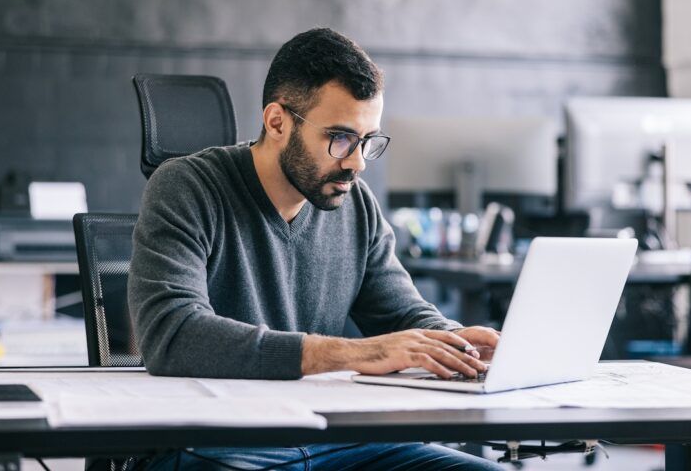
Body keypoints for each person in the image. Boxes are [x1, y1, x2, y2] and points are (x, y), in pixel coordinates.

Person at [128, 28, 500, 470]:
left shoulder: (356, 204)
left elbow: (402, 314)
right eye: (340, 138)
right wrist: (354, 353)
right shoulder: (186, 187)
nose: (357, 162)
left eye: (367, 141)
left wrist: (455, 344)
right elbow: (173, 336)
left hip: (334, 437)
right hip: (221, 440)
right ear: (277, 122)